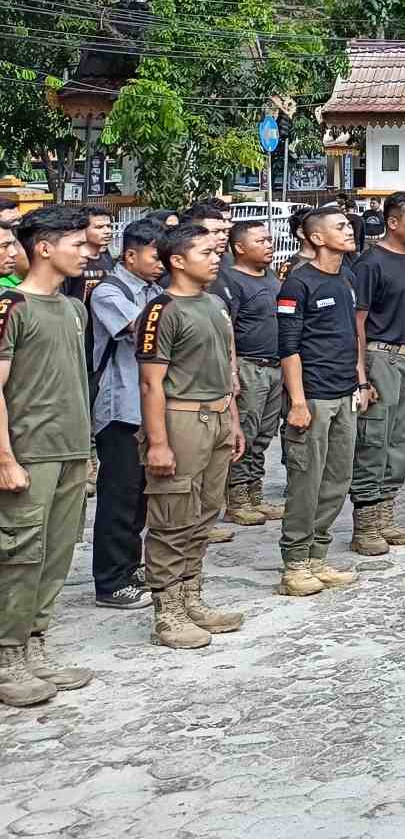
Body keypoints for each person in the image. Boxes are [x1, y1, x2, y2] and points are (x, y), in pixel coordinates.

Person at [133, 223, 247, 650]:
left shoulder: (215, 303)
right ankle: (168, 611)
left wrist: (232, 419)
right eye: (205, 252)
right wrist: (158, 442)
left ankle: (191, 596)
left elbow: (226, 370)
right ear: (177, 261)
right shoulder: (162, 310)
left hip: (217, 417)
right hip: (181, 421)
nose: (216, 257)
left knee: (204, 514)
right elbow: (151, 384)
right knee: (171, 518)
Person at [0, 205, 96, 707]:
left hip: (71, 449)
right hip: (29, 452)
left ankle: (35, 643)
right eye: (77, 244)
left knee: (57, 552)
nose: (86, 252)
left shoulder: (73, 309)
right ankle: (7, 654)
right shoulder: (12, 307)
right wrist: (5, 458)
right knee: (19, 554)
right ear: (44, 247)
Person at [275, 206, 371, 596]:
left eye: (348, 225)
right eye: (340, 227)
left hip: (344, 393)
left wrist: (361, 382)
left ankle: (318, 556)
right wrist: (297, 401)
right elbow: (288, 347)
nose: (349, 231)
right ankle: (295, 563)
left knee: (336, 479)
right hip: (312, 397)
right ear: (316, 238)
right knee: (306, 481)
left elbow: (352, 337)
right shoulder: (298, 284)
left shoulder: (346, 279)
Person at [86, 217, 166, 609]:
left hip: (148, 408)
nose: (162, 262)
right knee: (119, 497)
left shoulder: (155, 288)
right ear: (131, 254)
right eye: (156, 255)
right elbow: (143, 332)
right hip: (121, 409)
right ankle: (110, 581)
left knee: (141, 499)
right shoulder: (109, 292)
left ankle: (129, 567)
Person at [349, 191, 405, 559]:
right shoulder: (371, 263)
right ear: (392, 222)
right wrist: (361, 375)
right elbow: (358, 323)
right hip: (381, 357)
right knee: (375, 438)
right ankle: (365, 524)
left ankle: (386, 515)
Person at [216, 218, 288, 535]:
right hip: (249, 366)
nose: (269, 245)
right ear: (239, 247)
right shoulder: (230, 281)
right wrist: (232, 372)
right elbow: (226, 331)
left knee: (264, 434)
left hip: (275, 366)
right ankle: (237, 499)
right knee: (245, 430)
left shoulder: (270, 276)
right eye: (260, 241)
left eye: (269, 240)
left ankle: (255, 492)